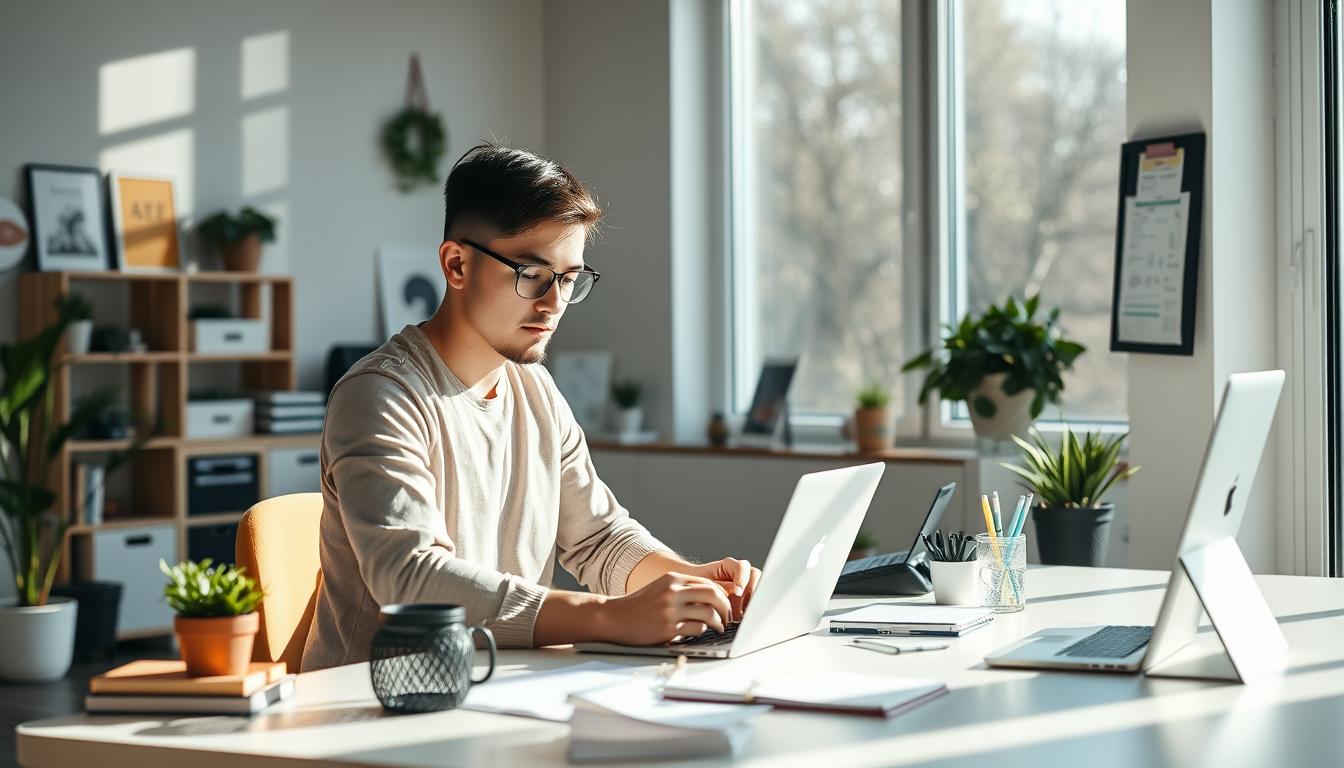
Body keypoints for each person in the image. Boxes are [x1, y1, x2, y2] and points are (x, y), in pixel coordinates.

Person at [302, 143, 761, 671]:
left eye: (569, 279)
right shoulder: (380, 395)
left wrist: (690, 586)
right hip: (374, 709)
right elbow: (410, 575)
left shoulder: (536, 391)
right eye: (530, 274)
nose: (554, 303)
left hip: (499, 690)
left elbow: (599, 540)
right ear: (456, 264)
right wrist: (611, 617)